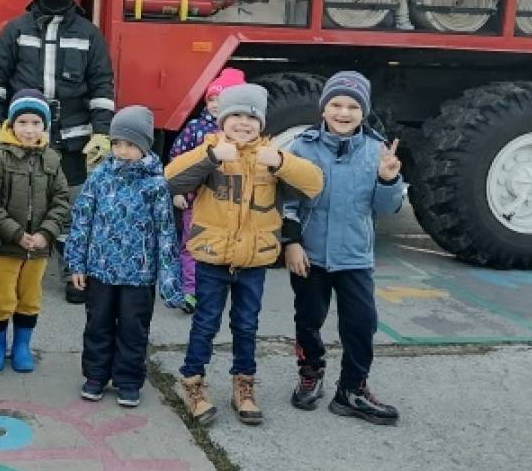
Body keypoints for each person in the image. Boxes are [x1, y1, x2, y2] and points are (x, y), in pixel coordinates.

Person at [165, 84, 324, 427]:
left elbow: (313, 184)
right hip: (212, 257)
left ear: (261, 122)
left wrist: (280, 162)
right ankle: (192, 382)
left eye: (250, 117)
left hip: (253, 261)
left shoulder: (271, 153)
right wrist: (210, 158)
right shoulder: (211, 149)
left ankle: (244, 386)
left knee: (246, 325)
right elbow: (171, 180)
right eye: (235, 115)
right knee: (205, 323)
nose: (242, 122)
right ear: (222, 118)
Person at [0, 0, 115, 304]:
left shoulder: (89, 34)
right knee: (13, 203)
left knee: (69, 209)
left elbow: (102, 86)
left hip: (71, 140)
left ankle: (74, 273)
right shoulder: (15, 30)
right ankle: (3, 266)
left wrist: (102, 132)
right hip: (22, 136)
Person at [281, 71, 405, 425]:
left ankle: (352, 388)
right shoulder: (303, 147)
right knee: (308, 319)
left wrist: (388, 178)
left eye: (352, 106)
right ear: (323, 109)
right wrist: (291, 243)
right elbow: (288, 200)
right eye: (336, 104)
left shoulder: (376, 150)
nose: (343, 112)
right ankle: (311, 372)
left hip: (354, 257)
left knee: (362, 324)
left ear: (363, 113)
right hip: (311, 256)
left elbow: (386, 207)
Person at [66, 106, 180, 408]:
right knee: (97, 323)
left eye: (131, 145)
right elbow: (82, 220)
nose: (123, 150)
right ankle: (95, 375)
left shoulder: (155, 184)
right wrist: (76, 262)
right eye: (117, 143)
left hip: (138, 275)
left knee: (133, 327)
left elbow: (166, 232)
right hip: (100, 270)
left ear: (144, 146)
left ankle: (128, 379)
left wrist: (169, 281)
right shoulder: (100, 178)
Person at [0, 90, 72, 373]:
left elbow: (61, 200)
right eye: (23, 123)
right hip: (6, 245)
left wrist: (46, 233)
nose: (29, 130)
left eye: (36, 123)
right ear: (11, 124)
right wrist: (15, 233)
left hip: (38, 248)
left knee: (30, 298)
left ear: (44, 126)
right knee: (1, 296)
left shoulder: (53, 159)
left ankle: (22, 345)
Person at [167, 66, 246, 313]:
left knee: (219, 246)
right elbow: (177, 158)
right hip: (194, 200)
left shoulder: (243, 133)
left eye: (221, 100)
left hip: (227, 204)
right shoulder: (194, 128)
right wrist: (178, 192)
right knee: (191, 246)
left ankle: (215, 289)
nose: (214, 104)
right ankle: (190, 291)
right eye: (212, 98)